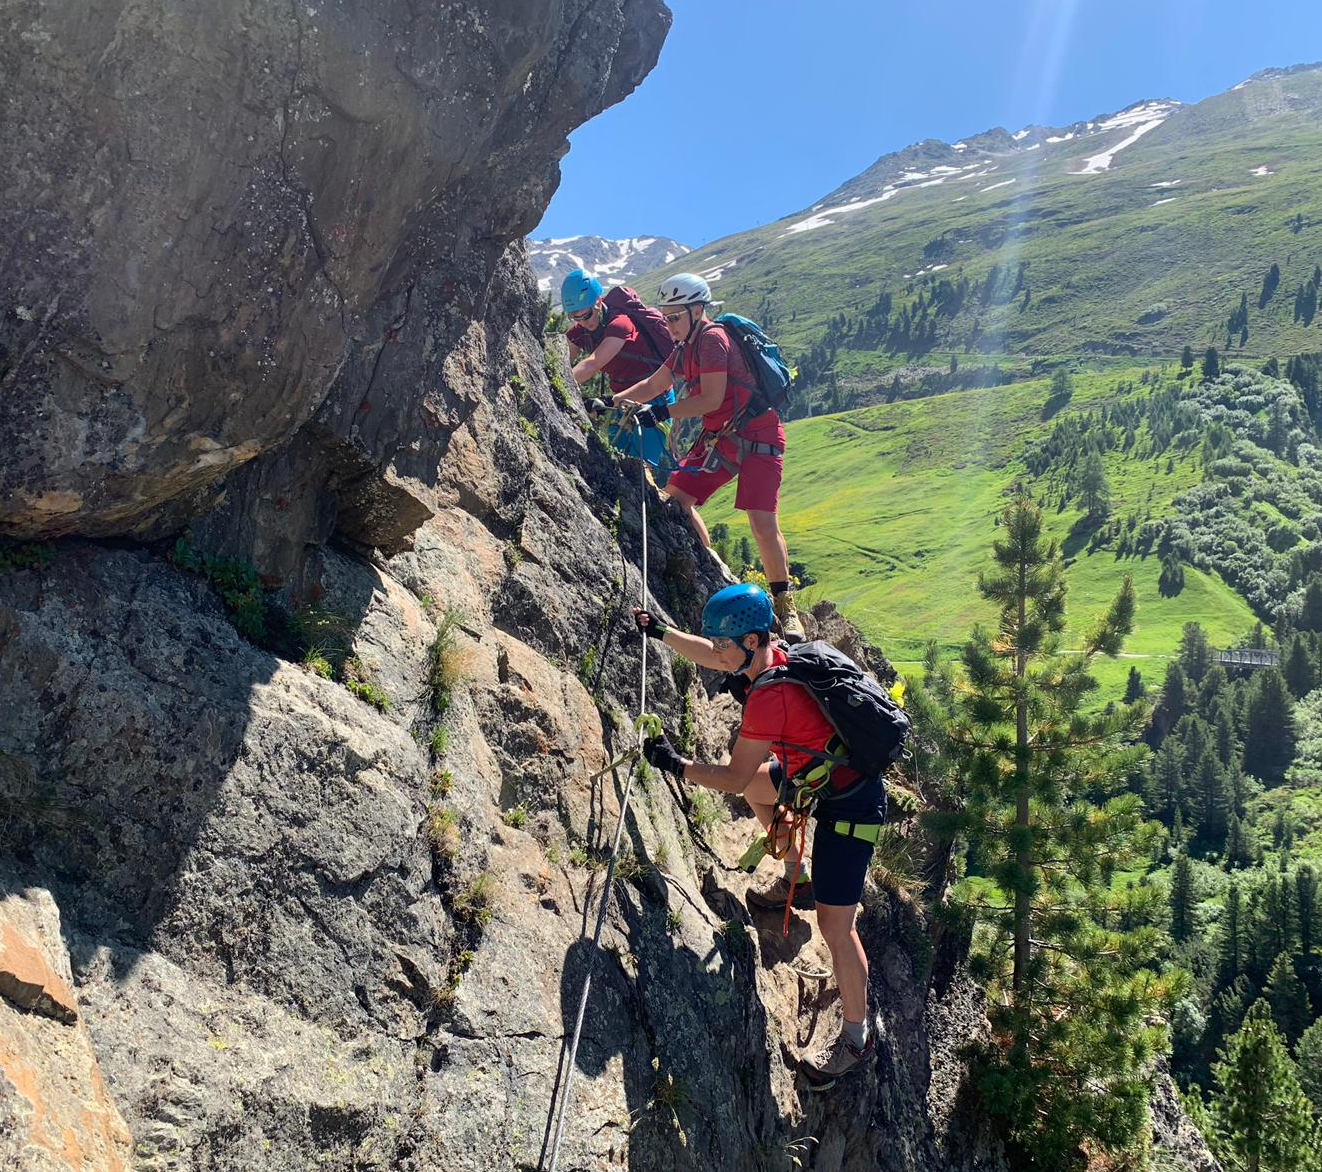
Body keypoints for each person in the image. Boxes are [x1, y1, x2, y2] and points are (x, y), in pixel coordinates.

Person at [633, 583, 889, 1090]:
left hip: (851, 807)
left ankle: (857, 1040)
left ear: (750, 640)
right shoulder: (772, 656)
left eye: (726, 643)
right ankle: (796, 874)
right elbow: (714, 654)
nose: (719, 651)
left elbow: (729, 776)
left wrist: (676, 764)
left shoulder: (770, 696)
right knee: (759, 788)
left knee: (838, 931)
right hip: (819, 775)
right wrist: (660, 632)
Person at [612, 273, 804, 642]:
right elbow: (655, 384)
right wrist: (613, 402)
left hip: (758, 433)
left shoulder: (713, 340)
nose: (668, 326)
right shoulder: (684, 344)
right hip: (722, 437)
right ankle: (710, 561)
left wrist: (663, 413)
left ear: (697, 311)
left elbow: (710, 400)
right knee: (676, 498)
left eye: (674, 317)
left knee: (762, 523)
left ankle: (786, 606)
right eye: (665, 317)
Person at [560, 270, 677, 473]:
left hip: (655, 397)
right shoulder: (581, 329)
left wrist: (556, 383)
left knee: (641, 468)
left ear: (598, 301)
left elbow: (592, 364)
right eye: (574, 317)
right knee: (618, 463)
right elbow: (562, 357)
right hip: (620, 401)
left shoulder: (620, 323)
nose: (583, 322)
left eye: (586, 314)